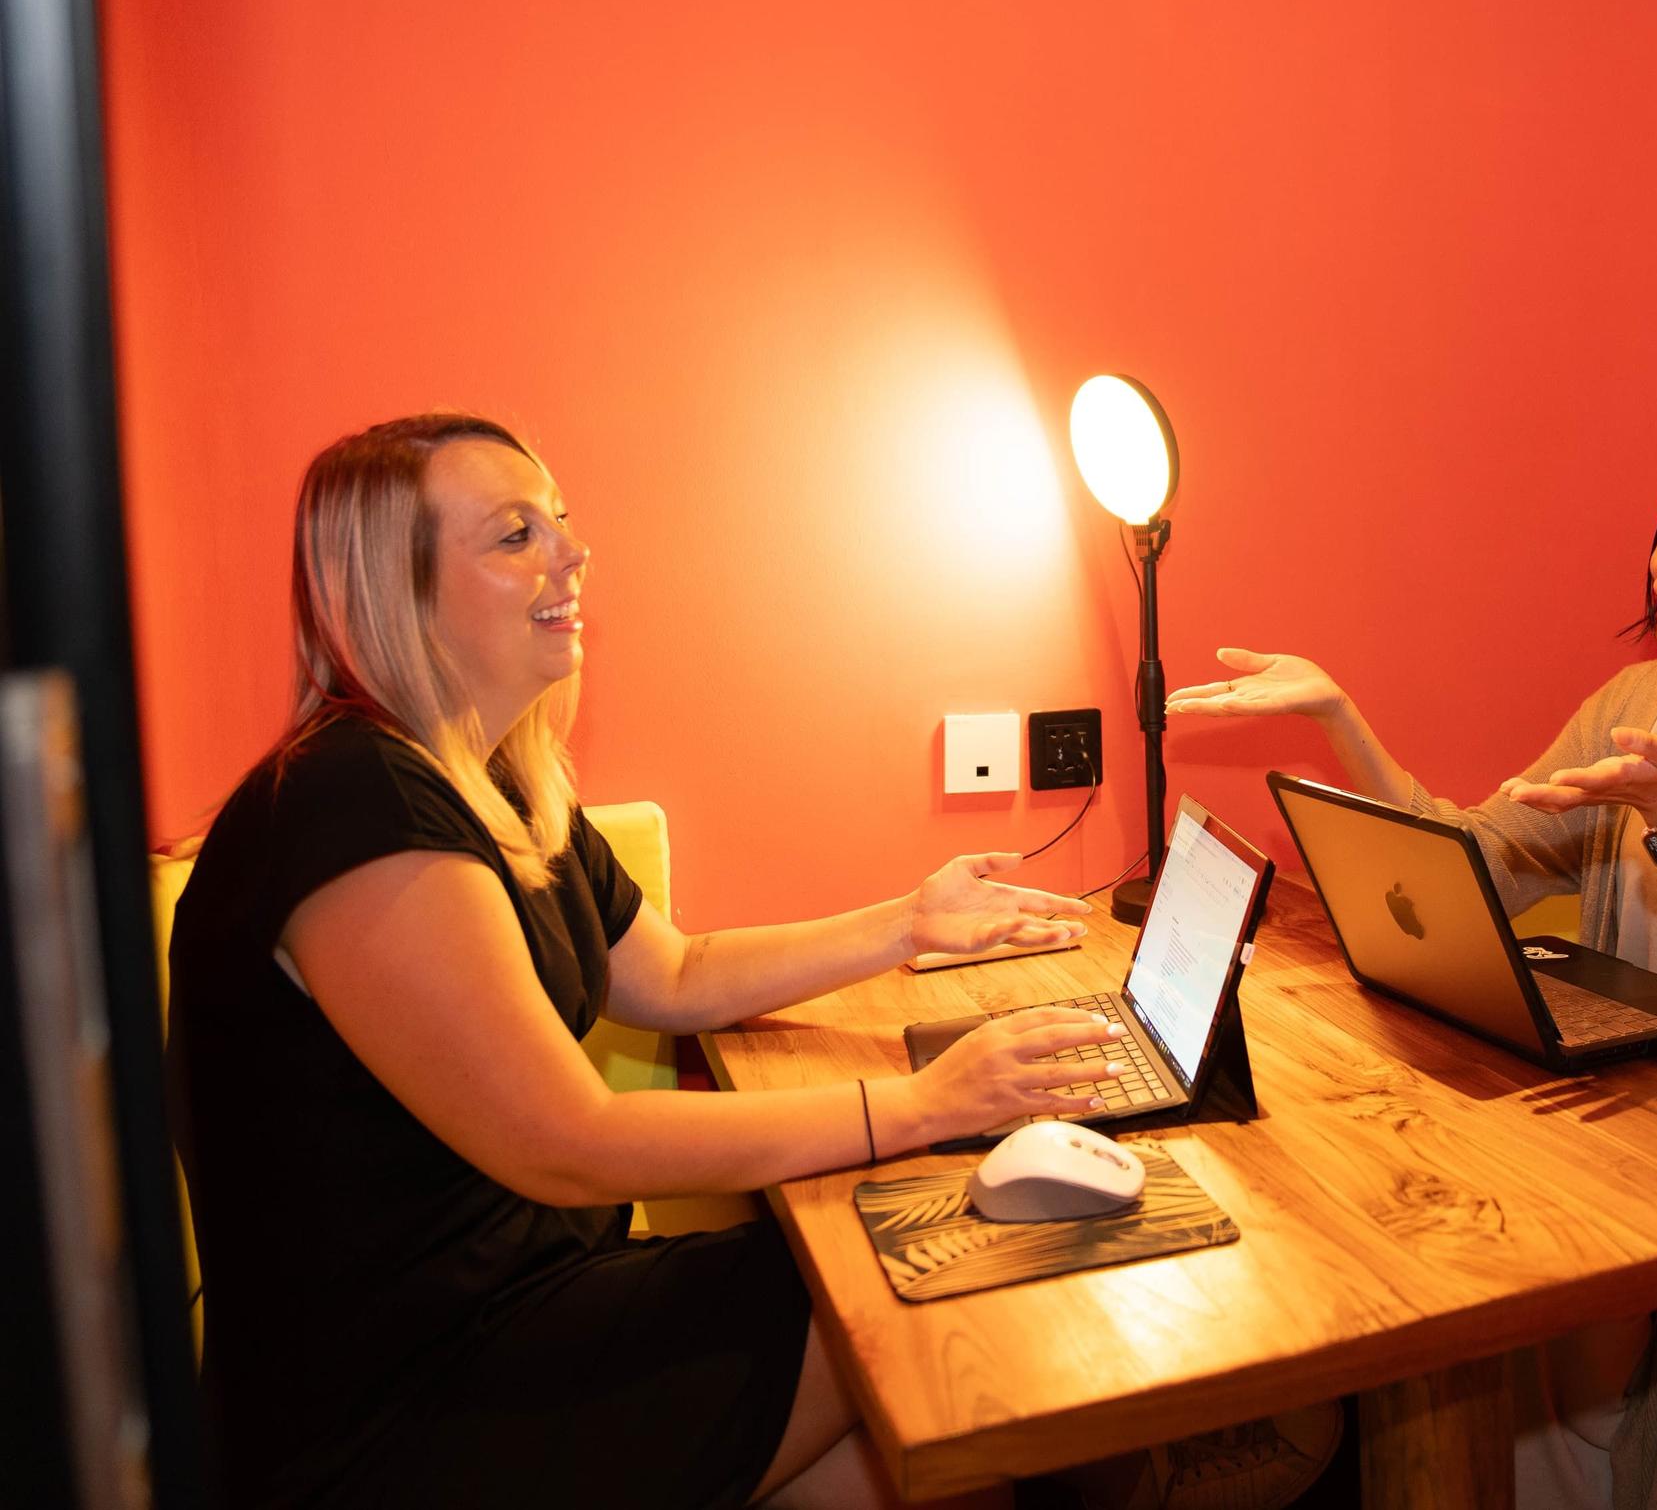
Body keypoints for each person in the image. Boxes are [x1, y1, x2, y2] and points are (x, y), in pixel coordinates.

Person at [164, 413, 1124, 1510]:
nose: (571, 553)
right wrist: (920, 1105)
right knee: (929, 1277)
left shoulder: (497, 777)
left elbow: (673, 971)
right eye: (514, 534)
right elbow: (572, 1139)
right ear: (396, 590)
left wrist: (908, 920)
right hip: (399, 1410)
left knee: (933, 1443)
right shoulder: (350, 801)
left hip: (533, 1302)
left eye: (561, 522)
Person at [1165, 411, 1657, 1510]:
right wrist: (1342, 721)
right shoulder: (1641, 701)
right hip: (1651, 1096)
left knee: (1562, 1286)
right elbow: (1479, 858)